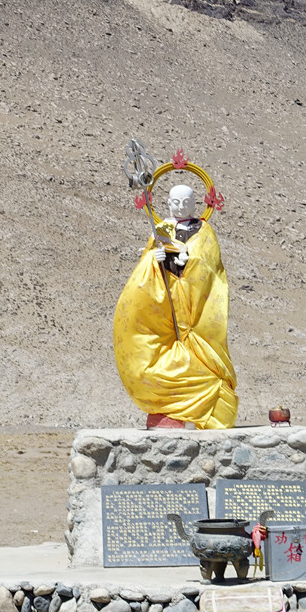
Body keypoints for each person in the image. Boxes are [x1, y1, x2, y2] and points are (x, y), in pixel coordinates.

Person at [113, 184, 238, 429]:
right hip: (165, 300)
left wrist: (188, 259)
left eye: (185, 203)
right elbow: (148, 261)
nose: (180, 207)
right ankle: (169, 406)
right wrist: (154, 258)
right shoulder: (161, 229)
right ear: (167, 203)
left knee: (199, 352)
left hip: (192, 305)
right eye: (174, 202)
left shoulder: (204, 231)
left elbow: (209, 264)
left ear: (196, 204)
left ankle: (206, 400)